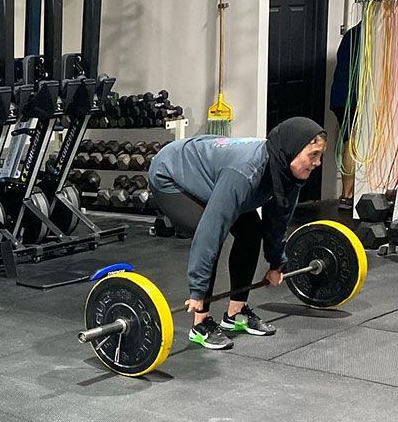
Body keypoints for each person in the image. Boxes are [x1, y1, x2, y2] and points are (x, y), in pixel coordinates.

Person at [149, 117, 327, 350]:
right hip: (171, 173)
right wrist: (197, 291)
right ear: (292, 148)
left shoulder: (285, 172)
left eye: (320, 156)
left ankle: (236, 313)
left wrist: (276, 264)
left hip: (213, 169)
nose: (317, 163)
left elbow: (278, 221)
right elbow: (210, 233)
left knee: (251, 230)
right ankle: (200, 323)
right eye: (312, 155)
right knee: (209, 229)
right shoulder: (245, 173)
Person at [329, 22, 360, 210]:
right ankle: (348, 196)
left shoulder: (351, 33)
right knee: (352, 143)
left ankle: (346, 195)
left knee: (349, 141)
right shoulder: (376, 33)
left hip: (341, 96)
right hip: (353, 97)